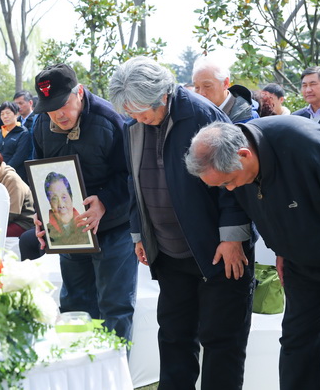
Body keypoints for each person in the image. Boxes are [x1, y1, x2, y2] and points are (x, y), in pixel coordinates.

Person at [185, 117, 320, 390]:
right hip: (300, 264)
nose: (230, 189)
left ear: (244, 155)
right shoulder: (238, 161)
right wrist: (281, 248)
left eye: (230, 181)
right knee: (297, 343)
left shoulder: (308, 146)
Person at [109, 56, 254, 389]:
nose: (137, 118)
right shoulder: (134, 124)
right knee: (174, 339)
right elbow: (134, 181)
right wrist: (139, 233)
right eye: (130, 112)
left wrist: (233, 237)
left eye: (141, 111)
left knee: (221, 343)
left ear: (163, 96)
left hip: (216, 252)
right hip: (170, 252)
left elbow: (235, 179)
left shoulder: (202, 114)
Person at [21, 63, 137, 341]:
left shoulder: (110, 120)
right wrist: (41, 216)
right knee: (75, 305)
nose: (57, 115)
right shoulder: (41, 125)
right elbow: (40, 174)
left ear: (80, 93)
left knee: (114, 308)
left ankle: (112, 380)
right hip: (69, 232)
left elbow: (132, 175)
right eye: (49, 108)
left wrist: (104, 202)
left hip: (113, 229)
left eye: (63, 105)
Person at [191, 55, 259, 123]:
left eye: (207, 86)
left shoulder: (248, 118)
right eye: (197, 87)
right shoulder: (192, 115)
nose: (201, 93)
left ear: (225, 83)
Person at [43, 172, 91, 246]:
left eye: (64, 197)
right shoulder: (46, 232)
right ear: (50, 203)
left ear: (71, 197)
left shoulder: (88, 226)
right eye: (54, 199)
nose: (61, 205)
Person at [0, 101, 32, 181]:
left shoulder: (23, 133)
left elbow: (19, 157)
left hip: (15, 175)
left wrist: (4, 171)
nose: (5, 116)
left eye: (8, 113)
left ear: (17, 114)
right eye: (2, 114)